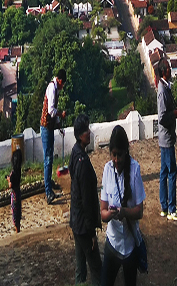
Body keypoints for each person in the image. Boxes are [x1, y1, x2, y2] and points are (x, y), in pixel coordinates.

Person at [99, 125, 145, 286]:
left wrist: (124, 212)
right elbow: (102, 212)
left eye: (120, 155)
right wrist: (110, 214)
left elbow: (139, 211)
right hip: (112, 242)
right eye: (114, 155)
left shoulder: (134, 170)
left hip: (130, 245)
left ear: (126, 152)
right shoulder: (107, 170)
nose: (117, 160)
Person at [69, 113, 103, 284]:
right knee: (97, 268)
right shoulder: (82, 161)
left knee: (80, 269)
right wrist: (91, 233)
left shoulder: (75, 152)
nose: (89, 132)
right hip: (83, 225)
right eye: (86, 130)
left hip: (76, 221)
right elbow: (87, 200)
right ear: (81, 135)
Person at [154, 58, 177, 220]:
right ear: (164, 72)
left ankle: (164, 207)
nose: (171, 71)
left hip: (164, 138)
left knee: (164, 172)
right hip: (166, 139)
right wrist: (174, 114)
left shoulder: (164, 87)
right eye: (169, 69)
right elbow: (163, 117)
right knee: (171, 173)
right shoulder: (162, 91)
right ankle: (171, 208)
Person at [41, 68, 67, 203]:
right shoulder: (52, 88)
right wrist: (60, 115)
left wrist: (59, 127)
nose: (63, 87)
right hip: (45, 127)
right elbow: (51, 111)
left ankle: (49, 188)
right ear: (60, 81)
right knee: (48, 159)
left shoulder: (55, 89)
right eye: (63, 84)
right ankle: (48, 192)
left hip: (50, 127)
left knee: (49, 158)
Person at [7, 146, 23, 232]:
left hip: (14, 195)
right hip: (18, 193)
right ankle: (18, 228)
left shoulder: (13, 174)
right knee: (18, 211)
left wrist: (9, 179)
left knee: (15, 212)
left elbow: (10, 185)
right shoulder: (19, 171)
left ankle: (17, 229)